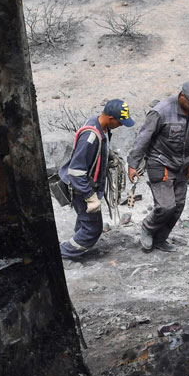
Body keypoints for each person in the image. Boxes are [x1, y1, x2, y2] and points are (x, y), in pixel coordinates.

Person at [127, 81, 189, 252]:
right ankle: (148, 228)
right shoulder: (161, 112)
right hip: (160, 162)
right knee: (166, 206)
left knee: (178, 206)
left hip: (183, 163)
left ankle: (160, 239)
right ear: (182, 96)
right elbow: (143, 138)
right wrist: (133, 164)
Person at [59, 99, 134, 260]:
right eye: (120, 122)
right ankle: (63, 254)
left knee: (84, 221)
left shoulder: (100, 126)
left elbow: (99, 151)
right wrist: (90, 197)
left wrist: (109, 155)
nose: (121, 125)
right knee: (92, 229)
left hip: (87, 186)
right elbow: (76, 170)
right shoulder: (90, 137)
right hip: (82, 188)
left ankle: (76, 248)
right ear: (110, 118)